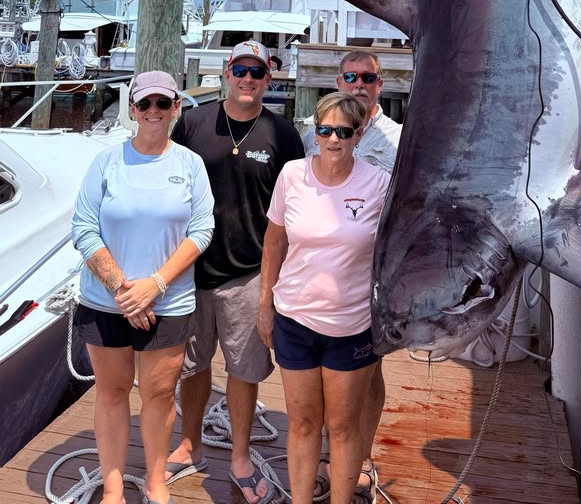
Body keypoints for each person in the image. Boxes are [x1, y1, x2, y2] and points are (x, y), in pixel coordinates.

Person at [164, 40, 303, 504]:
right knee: (193, 365)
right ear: (227, 71)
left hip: (250, 273)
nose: (248, 78)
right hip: (192, 270)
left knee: (245, 371)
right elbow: (167, 186)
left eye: (257, 72)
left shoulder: (282, 134)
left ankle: (240, 456)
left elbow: (294, 209)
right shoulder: (192, 122)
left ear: (269, 79)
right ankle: (190, 444)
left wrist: (278, 283)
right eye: (240, 69)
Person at [71, 71, 215, 504]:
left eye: (163, 103)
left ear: (175, 109)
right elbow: (83, 228)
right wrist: (122, 290)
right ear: (132, 110)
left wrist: (154, 285)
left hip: (167, 303)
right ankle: (113, 486)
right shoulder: (107, 163)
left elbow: (202, 229)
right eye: (145, 103)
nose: (154, 111)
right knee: (112, 393)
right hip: (106, 301)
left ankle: (155, 483)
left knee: (157, 396)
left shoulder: (190, 165)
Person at [259, 93, 390, 504]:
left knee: (343, 426)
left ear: (359, 134)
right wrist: (265, 303)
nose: (333, 139)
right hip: (294, 320)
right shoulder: (291, 176)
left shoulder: (379, 183)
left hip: (353, 327)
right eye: (325, 130)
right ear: (314, 130)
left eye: (343, 132)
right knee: (301, 423)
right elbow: (274, 241)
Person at [301, 51, 401, 503]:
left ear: (381, 83)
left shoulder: (399, 138)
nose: (359, 84)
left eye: (368, 77)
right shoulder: (312, 132)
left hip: (375, 272)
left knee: (367, 368)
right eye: (350, 76)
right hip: (320, 272)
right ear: (338, 80)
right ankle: (329, 456)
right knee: (323, 372)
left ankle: (359, 461)